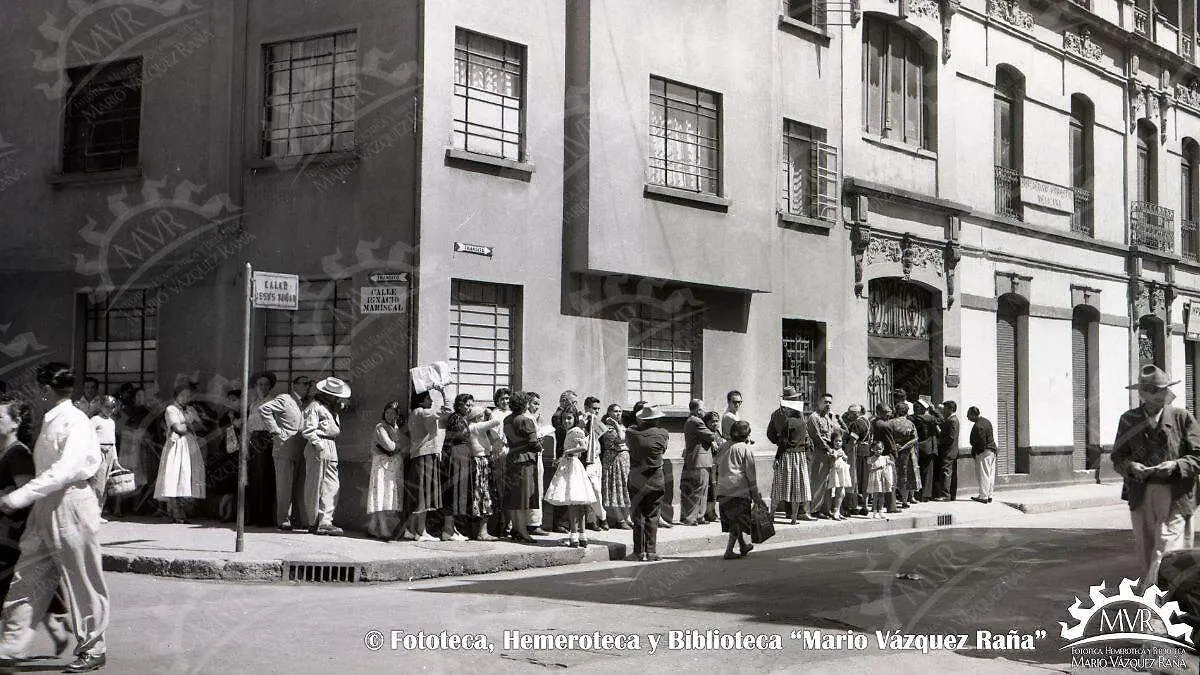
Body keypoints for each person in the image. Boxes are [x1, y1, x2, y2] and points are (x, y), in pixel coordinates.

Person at [0, 363, 109, 673]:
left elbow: (63, 470)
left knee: (82, 577)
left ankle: (93, 647)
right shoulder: (53, 420)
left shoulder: (75, 421)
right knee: (28, 574)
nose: (37, 395)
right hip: (46, 505)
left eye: (38, 389)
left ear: (46, 390)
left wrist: (20, 496)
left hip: (71, 502)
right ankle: (11, 645)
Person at [1112, 365, 1200, 587]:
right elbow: (1118, 458)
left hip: (1177, 494)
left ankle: (1154, 601)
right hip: (1141, 494)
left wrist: (1177, 465)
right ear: (1143, 394)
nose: (1164, 394)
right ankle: (1162, 597)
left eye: (1165, 389)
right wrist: (1131, 466)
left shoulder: (1182, 417)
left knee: (1166, 550)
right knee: (1147, 549)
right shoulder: (1129, 420)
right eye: (1157, 390)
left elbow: (1198, 456)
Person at [0, 394, 70, 655]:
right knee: (24, 586)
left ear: (15, 423)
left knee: (19, 585)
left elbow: (26, 494)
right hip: (7, 535)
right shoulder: (3, 451)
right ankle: (54, 623)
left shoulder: (17, 454)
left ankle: (15, 643)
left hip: (14, 535)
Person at [444, 394, 504, 542]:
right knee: (473, 495)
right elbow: (496, 421)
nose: (468, 408)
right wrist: (489, 412)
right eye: (467, 405)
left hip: (466, 459)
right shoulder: (472, 425)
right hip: (466, 459)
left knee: (461, 495)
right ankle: (450, 530)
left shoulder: (467, 423)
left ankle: (453, 530)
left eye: (470, 406)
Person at [259, 375, 312, 531]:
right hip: (285, 448)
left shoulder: (305, 403)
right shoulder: (285, 399)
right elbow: (264, 409)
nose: (307, 386)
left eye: (309, 384)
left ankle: (298, 519)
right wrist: (275, 431)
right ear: (294, 385)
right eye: (304, 383)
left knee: (299, 487)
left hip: (301, 449)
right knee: (284, 486)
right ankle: (283, 519)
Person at [302, 377, 351, 536]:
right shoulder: (315, 407)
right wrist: (318, 444)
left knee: (331, 484)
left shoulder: (331, 408)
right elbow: (308, 429)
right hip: (319, 444)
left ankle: (325, 520)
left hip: (330, 445)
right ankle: (314, 521)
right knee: (315, 485)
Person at [545, 409, 598, 548]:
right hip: (569, 463)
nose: (566, 421)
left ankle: (575, 535)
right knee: (577, 502)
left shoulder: (576, 431)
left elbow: (583, 447)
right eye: (564, 419)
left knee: (574, 501)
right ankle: (581, 536)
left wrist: (567, 452)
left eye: (569, 418)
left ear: (575, 418)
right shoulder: (571, 431)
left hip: (573, 466)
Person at [154, 382, 206, 523]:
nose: (186, 397)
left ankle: (184, 511)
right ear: (176, 395)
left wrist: (187, 425)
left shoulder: (190, 409)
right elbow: (178, 429)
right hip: (177, 445)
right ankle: (175, 512)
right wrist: (189, 425)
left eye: (188, 395)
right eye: (183, 395)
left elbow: (201, 426)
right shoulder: (171, 409)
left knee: (187, 476)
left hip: (190, 445)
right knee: (175, 475)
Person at [406, 388, 450, 542]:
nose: (431, 401)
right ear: (421, 400)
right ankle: (421, 532)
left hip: (416, 456)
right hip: (425, 456)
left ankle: (410, 530)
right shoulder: (424, 412)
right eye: (429, 398)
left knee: (419, 494)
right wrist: (443, 392)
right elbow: (448, 411)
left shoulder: (414, 413)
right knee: (424, 494)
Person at [626, 404, 668, 562]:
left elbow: (630, 430)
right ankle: (651, 551)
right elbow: (663, 450)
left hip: (637, 479)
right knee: (652, 515)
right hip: (656, 479)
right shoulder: (663, 433)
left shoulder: (631, 433)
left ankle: (638, 552)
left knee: (638, 516)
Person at [715, 420, 762, 560]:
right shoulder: (745, 449)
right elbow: (750, 475)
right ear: (747, 435)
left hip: (723, 489)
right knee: (737, 522)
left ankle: (743, 546)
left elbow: (716, 464)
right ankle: (729, 551)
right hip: (738, 490)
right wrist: (756, 495)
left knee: (734, 520)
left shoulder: (723, 447)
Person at [768, 387, 813, 523]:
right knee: (797, 487)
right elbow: (778, 437)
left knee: (781, 486)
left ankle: (776, 515)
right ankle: (794, 516)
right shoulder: (797, 417)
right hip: (797, 455)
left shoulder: (781, 415)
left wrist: (779, 450)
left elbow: (777, 437)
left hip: (787, 454)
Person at [502, 392, 541, 543]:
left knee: (514, 496)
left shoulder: (507, 419)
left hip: (512, 458)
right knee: (524, 497)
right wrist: (540, 444)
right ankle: (523, 531)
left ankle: (515, 528)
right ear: (524, 405)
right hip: (525, 459)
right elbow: (533, 443)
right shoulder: (525, 420)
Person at [243, 371, 279, 528]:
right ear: (255, 387)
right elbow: (249, 428)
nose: (263, 387)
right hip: (254, 441)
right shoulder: (253, 404)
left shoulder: (273, 402)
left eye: (266, 384)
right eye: (260, 384)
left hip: (267, 441)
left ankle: (265, 517)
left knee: (265, 478)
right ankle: (254, 516)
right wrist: (245, 446)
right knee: (253, 478)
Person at [366, 401, 405, 540]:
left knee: (386, 495)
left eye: (393, 413)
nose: (389, 415)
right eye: (387, 412)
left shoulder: (395, 427)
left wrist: (399, 446)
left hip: (392, 466)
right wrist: (399, 446)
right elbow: (390, 446)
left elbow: (401, 446)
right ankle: (383, 528)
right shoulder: (380, 427)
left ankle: (372, 526)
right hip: (382, 464)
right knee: (381, 494)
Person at [680, 400, 717, 526]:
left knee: (702, 489)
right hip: (699, 460)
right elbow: (710, 436)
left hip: (698, 460)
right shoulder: (696, 421)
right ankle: (691, 517)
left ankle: (700, 516)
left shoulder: (690, 421)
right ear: (697, 410)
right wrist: (714, 434)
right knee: (698, 489)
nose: (704, 411)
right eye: (702, 409)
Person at [806, 393, 841, 518]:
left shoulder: (827, 417)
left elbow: (836, 432)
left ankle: (825, 509)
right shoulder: (813, 417)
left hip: (828, 453)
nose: (828, 405)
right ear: (819, 403)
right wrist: (828, 448)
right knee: (818, 482)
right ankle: (815, 509)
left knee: (827, 482)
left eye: (830, 402)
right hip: (818, 453)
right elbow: (816, 436)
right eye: (825, 402)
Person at [210, 388, 242, 522]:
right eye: (229, 400)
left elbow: (240, 426)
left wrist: (233, 419)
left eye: (234, 400)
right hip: (226, 451)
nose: (230, 402)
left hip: (238, 451)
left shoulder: (242, 414)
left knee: (234, 484)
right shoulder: (224, 416)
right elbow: (221, 432)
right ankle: (226, 512)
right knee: (228, 483)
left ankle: (224, 511)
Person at [599, 405, 633, 530]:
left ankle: (628, 517)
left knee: (625, 487)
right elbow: (621, 438)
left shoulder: (622, 426)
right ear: (609, 412)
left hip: (624, 459)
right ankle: (620, 519)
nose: (618, 414)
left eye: (620, 411)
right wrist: (614, 423)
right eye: (615, 411)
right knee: (614, 488)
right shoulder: (607, 428)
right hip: (612, 459)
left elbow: (626, 441)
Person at [88, 396, 119, 522]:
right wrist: (98, 448)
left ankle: (99, 511)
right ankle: (92, 514)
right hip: (99, 452)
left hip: (110, 452)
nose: (109, 410)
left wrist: (115, 459)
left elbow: (113, 442)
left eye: (112, 407)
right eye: (107, 407)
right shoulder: (95, 420)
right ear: (101, 406)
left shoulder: (111, 422)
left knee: (105, 484)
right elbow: (88, 438)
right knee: (97, 484)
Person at [486, 388, 512, 538]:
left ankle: (508, 524)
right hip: (499, 451)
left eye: (508, 398)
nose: (505, 401)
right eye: (502, 399)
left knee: (509, 489)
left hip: (510, 451)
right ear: (497, 400)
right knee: (499, 489)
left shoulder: (512, 413)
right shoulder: (494, 414)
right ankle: (499, 525)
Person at [889, 402, 920, 509]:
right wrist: (904, 446)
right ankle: (904, 501)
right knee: (905, 476)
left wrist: (895, 446)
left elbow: (888, 437)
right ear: (906, 412)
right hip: (907, 453)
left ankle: (890, 500)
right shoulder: (910, 424)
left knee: (893, 475)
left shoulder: (890, 423)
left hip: (893, 452)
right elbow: (915, 439)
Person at [843, 404, 872, 516]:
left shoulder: (856, 424)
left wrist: (845, 452)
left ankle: (853, 505)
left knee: (854, 478)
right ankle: (864, 505)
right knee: (865, 480)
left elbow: (852, 441)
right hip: (866, 451)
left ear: (855, 413)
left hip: (857, 453)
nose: (849, 415)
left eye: (850, 413)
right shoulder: (867, 421)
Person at [872, 404, 899, 514]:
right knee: (890, 480)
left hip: (877, 454)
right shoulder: (885, 426)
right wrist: (895, 454)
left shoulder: (874, 422)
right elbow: (890, 442)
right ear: (880, 412)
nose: (890, 413)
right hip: (887, 455)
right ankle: (892, 506)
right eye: (887, 411)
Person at [967, 406, 998, 504]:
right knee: (990, 474)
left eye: (969, 415)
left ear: (973, 414)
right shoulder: (986, 421)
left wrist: (977, 452)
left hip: (984, 452)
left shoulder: (978, 425)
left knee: (983, 474)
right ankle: (989, 495)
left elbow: (981, 442)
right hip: (992, 451)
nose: (968, 417)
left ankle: (983, 496)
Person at [911, 400, 939, 502]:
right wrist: (933, 409)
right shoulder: (930, 418)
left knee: (917, 471)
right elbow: (941, 420)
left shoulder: (913, 418)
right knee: (928, 472)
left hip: (917, 447)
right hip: (929, 448)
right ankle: (926, 495)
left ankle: (917, 493)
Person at [934, 400, 960, 501]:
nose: (944, 411)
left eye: (945, 409)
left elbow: (951, 437)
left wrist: (940, 438)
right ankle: (951, 494)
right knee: (949, 472)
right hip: (951, 450)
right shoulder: (950, 419)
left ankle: (945, 494)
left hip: (948, 450)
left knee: (946, 472)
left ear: (950, 409)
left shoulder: (952, 420)